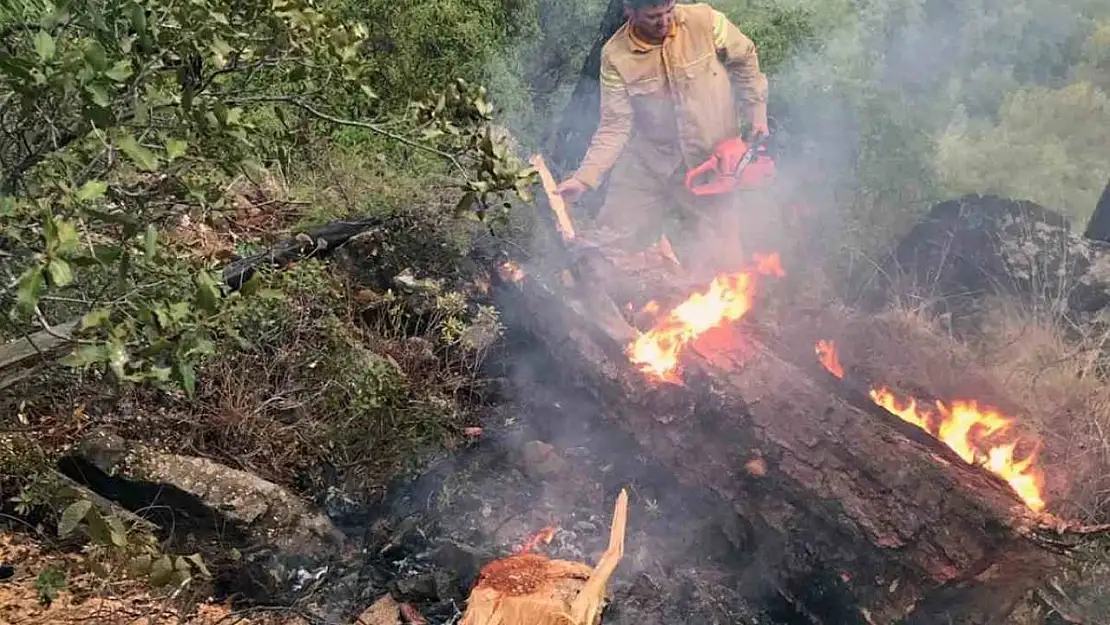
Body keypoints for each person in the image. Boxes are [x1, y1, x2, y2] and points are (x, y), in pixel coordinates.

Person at [555, 0, 769, 272]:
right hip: (649, 162)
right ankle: (598, 305)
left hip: (711, 164)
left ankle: (729, 308)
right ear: (630, 12)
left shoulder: (706, 21)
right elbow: (614, 125)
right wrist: (584, 179)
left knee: (725, 264)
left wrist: (757, 113)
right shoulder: (615, 56)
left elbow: (746, 59)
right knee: (608, 243)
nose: (665, 22)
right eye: (654, 16)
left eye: (669, 11)